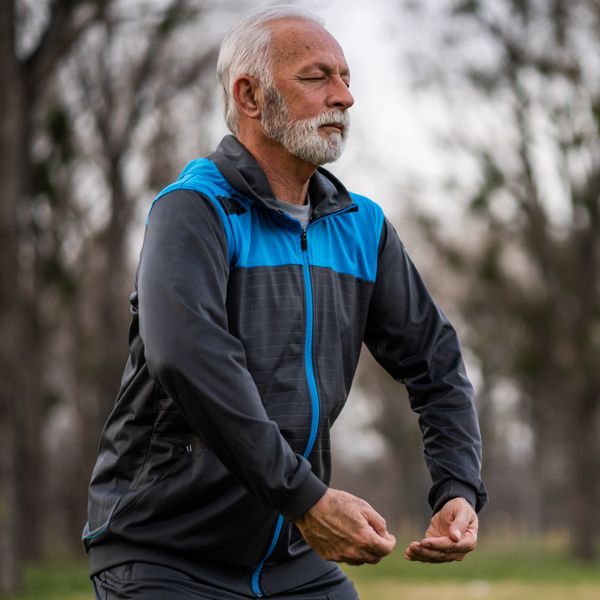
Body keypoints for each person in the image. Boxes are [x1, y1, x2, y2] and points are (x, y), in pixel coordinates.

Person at [83, 5, 488, 599]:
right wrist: (308, 499)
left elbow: (437, 363)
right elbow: (188, 358)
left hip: (288, 558)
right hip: (163, 555)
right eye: (317, 77)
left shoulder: (363, 227)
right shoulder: (194, 211)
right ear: (250, 96)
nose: (345, 96)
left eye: (347, 77)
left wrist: (458, 487)